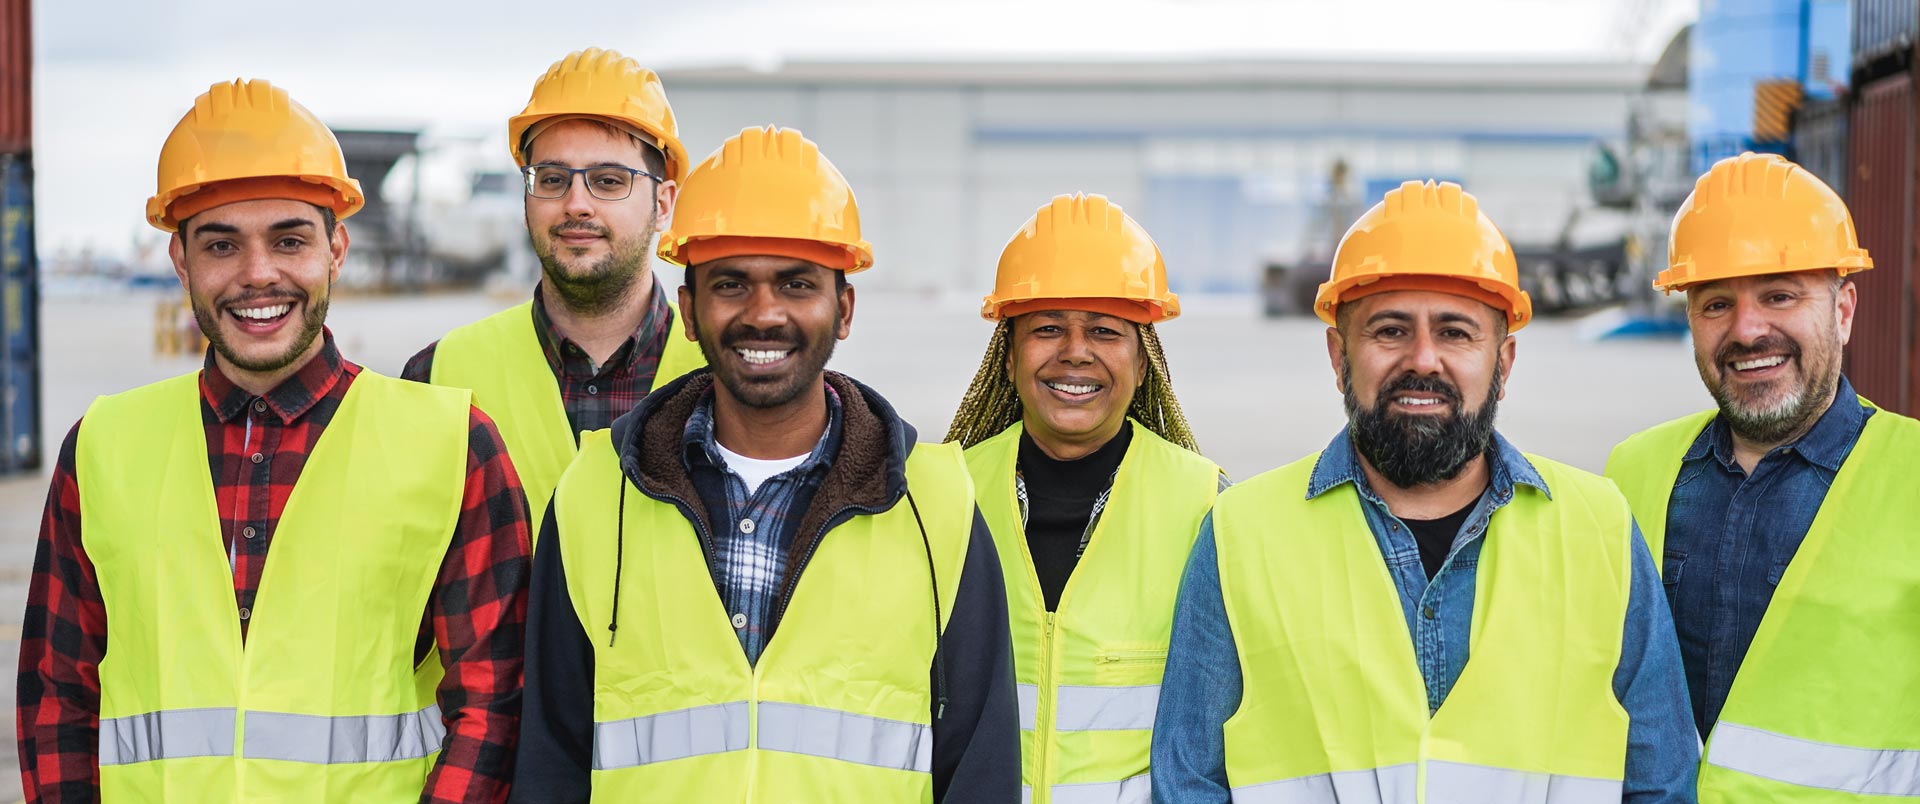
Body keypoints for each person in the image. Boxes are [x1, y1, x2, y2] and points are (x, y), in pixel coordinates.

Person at [18, 79, 529, 803]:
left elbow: (494, 708)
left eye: (288, 239)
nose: (258, 274)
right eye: (221, 244)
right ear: (181, 262)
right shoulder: (102, 448)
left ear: (336, 249)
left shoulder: (452, 446)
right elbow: (56, 698)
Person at [511, 125, 1020, 803]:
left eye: (796, 284)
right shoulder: (595, 493)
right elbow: (552, 759)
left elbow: (980, 769)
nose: (763, 313)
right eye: (731, 284)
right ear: (689, 311)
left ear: (843, 309)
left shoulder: (936, 507)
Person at [1151, 180, 1698, 803]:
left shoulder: (1599, 530)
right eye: (1389, 330)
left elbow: (1661, 784)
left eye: (1456, 333)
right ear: (1338, 354)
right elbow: (1188, 785)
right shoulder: (1240, 535)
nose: (1423, 359)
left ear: (1505, 360)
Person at [1606, 152, 1920, 801]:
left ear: (1843, 310)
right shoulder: (1632, 471)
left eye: (1779, 295)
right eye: (1716, 303)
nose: (1747, 330)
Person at [946, 192, 1222, 804]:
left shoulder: (1211, 508)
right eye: (1048, 328)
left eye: (1104, 330)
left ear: (1144, 362)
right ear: (1009, 354)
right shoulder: (944, 497)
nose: (1076, 351)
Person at [405, 47, 704, 521]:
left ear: (663, 205)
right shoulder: (438, 376)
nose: (576, 204)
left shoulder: (724, 377)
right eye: (552, 179)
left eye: (609, 181)